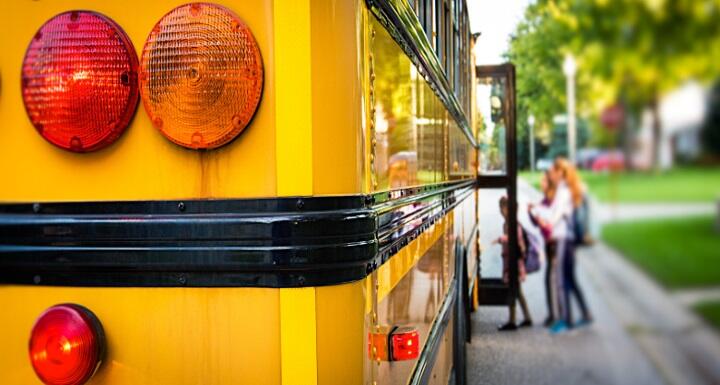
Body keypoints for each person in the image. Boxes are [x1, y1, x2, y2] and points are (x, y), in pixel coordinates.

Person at [554, 158, 593, 329]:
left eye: (556, 171)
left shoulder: (565, 190)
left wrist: (547, 224)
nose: (553, 174)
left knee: (562, 279)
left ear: (561, 173)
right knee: (570, 278)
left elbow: (559, 214)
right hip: (572, 239)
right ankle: (586, 313)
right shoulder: (576, 189)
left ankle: (566, 319)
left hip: (565, 239)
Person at [494, 196, 532, 331]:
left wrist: (500, 239)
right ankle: (527, 317)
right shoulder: (509, 223)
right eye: (500, 208)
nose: (500, 211)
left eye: (502, 208)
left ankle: (512, 320)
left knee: (512, 290)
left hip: (513, 262)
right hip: (511, 261)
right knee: (517, 291)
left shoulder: (512, 224)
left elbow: (513, 238)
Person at [528, 171, 558, 327]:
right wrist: (532, 214)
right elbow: (537, 224)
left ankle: (556, 315)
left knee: (554, 279)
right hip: (550, 244)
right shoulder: (545, 201)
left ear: (550, 183)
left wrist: (541, 220)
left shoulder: (552, 202)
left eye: (544, 181)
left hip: (556, 244)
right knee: (552, 279)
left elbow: (550, 225)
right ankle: (554, 314)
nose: (541, 183)